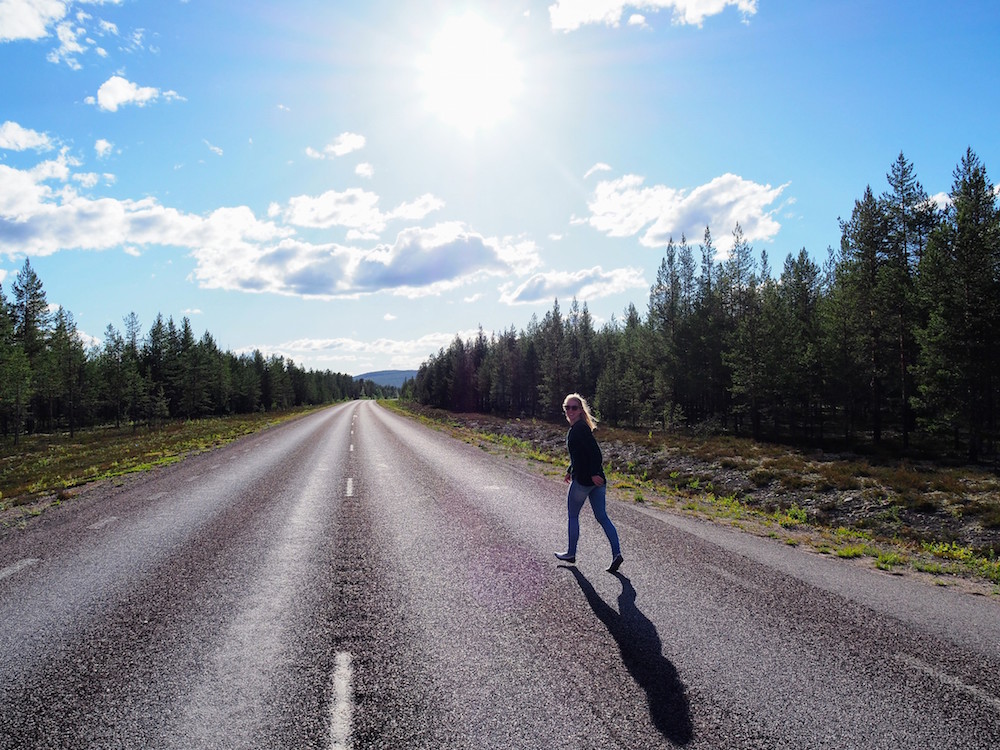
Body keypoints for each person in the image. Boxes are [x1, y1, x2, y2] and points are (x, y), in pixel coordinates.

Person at [554, 393, 624, 573]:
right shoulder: (581, 427)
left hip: (585, 481)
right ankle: (617, 554)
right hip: (596, 481)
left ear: (580, 410)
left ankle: (571, 553)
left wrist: (592, 473)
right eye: (567, 407)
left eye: (574, 408)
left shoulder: (579, 429)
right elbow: (580, 455)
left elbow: (595, 454)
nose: (570, 411)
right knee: (602, 517)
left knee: (573, 516)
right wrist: (571, 469)